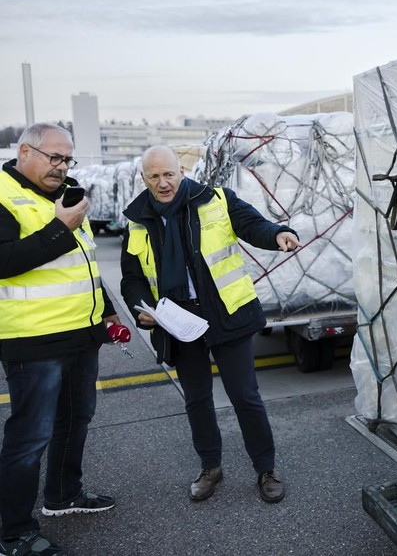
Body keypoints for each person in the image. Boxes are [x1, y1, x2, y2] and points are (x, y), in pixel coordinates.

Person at [120, 145, 300, 504]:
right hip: (176, 320)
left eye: (169, 174)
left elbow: (253, 224)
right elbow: (132, 277)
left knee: (245, 396)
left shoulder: (215, 199)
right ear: (144, 179)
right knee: (197, 400)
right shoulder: (138, 220)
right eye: (154, 176)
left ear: (181, 172)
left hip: (225, 313)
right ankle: (211, 467)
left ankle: (266, 469)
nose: (163, 182)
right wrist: (142, 308)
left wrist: (277, 234)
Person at [0, 123, 118, 556]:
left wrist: (106, 309)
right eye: (54, 157)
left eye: (68, 159)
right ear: (24, 151)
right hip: (33, 340)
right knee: (30, 437)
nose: (62, 166)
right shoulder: (2, 194)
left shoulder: (64, 196)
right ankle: (12, 532)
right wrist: (61, 229)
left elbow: (83, 262)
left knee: (76, 419)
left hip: (79, 333)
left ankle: (64, 496)